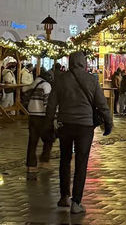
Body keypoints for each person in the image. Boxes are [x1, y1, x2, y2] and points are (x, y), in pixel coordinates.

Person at [44, 51, 112, 214]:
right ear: (84, 63)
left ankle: (64, 196)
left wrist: (48, 125)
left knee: (65, 159)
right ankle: (77, 202)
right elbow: (101, 104)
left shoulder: (61, 80)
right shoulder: (91, 80)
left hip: (65, 124)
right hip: (85, 126)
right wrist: (108, 123)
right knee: (81, 162)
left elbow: (52, 105)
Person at [23, 69, 54, 178]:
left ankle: (31, 166)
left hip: (32, 115)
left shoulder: (33, 84)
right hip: (42, 116)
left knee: (32, 141)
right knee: (49, 139)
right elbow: (46, 103)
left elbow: (25, 93)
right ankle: (44, 160)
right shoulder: (46, 86)